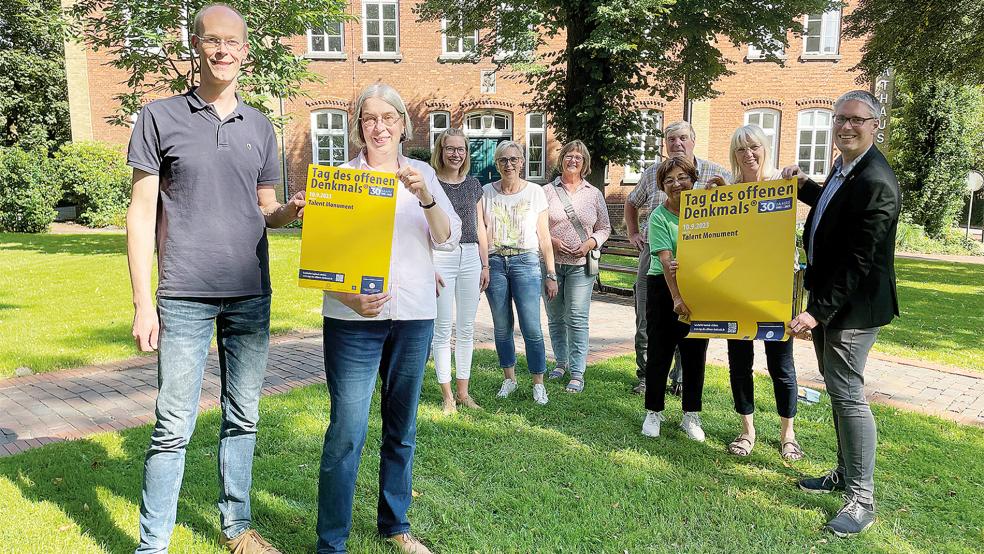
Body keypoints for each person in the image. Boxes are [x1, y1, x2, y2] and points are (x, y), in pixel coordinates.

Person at [126, 5, 304, 553]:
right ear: (196, 47)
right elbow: (140, 212)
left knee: (243, 417)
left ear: (245, 50)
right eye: (212, 40)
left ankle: (236, 528)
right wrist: (142, 302)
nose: (223, 50)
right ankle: (152, 544)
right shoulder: (159, 117)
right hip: (182, 294)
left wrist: (291, 210)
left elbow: (265, 207)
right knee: (172, 424)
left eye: (233, 41)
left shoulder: (261, 126)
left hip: (250, 291)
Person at [316, 84, 461, 554]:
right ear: (359, 127)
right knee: (347, 431)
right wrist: (349, 297)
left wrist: (426, 197)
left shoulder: (422, 174)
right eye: (369, 119)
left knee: (401, 428)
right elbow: (321, 260)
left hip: (413, 316)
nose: (378, 127)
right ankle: (331, 542)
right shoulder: (341, 179)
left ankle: (395, 525)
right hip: (351, 321)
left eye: (387, 118)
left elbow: (447, 240)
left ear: (403, 123)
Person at [782, 90, 900, 538]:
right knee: (836, 389)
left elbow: (860, 260)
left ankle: (862, 499)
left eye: (856, 120)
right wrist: (803, 187)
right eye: (839, 119)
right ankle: (844, 473)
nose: (845, 127)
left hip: (853, 308)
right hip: (833, 301)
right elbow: (833, 209)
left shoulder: (877, 181)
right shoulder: (847, 166)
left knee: (848, 394)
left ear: (875, 125)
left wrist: (816, 312)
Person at [706, 125, 802, 460]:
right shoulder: (729, 189)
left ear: (766, 148)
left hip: (775, 288)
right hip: (739, 289)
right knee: (739, 361)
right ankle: (747, 430)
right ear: (734, 155)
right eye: (741, 150)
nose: (749, 155)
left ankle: (788, 434)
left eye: (754, 147)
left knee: (781, 364)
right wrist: (710, 198)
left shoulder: (782, 183)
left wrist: (798, 180)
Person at [623, 121, 731, 395]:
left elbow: (735, 207)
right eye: (671, 139)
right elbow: (631, 202)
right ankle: (647, 375)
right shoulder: (652, 174)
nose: (677, 144)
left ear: (693, 140)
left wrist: (724, 190)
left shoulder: (715, 171)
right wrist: (634, 232)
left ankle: (681, 379)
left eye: (683, 138)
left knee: (691, 315)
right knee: (648, 316)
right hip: (656, 252)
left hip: (697, 257)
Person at [483, 140, 559, 405]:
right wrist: (483, 265)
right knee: (502, 326)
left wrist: (551, 273)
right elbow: (482, 235)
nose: (509, 164)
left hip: (526, 261)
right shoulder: (485, 193)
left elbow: (545, 236)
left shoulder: (536, 192)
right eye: (503, 160)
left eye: (514, 159)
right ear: (496, 164)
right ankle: (509, 378)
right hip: (495, 262)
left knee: (531, 326)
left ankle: (538, 382)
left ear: (522, 162)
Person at [640, 157, 710, 441]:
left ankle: (690, 416)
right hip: (663, 287)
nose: (676, 184)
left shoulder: (705, 210)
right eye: (669, 180)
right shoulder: (659, 216)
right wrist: (677, 298)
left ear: (692, 180)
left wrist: (720, 189)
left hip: (698, 285)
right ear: (662, 187)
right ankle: (653, 412)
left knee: (695, 354)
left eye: (682, 178)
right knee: (660, 351)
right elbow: (666, 262)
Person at [543, 140, 612, 393]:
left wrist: (592, 242)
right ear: (561, 160)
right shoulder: (546, 192)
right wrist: (552, 241)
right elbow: (535, 225)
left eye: (578, 158)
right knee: (555, 318)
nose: (573, 160)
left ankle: (577, 370)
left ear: (585, 164)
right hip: (551, 264)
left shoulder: (593, 194)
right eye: (569, 156)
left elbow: (605, 227)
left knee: (577, 318)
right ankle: (560, 363)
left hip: (581, 265)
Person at [429, 128, 489, 414]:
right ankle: (447, 396)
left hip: (470, 257)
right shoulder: (430, 183)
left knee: (466, 329)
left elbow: (480, 226)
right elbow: (421, 226)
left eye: (461, 149)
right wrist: (428, 264)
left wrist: (485, 263)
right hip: (441, 256)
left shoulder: (474, 185)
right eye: (450, 148)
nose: (456, 154)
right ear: (441, 151)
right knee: (442, 329)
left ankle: (464, 392)